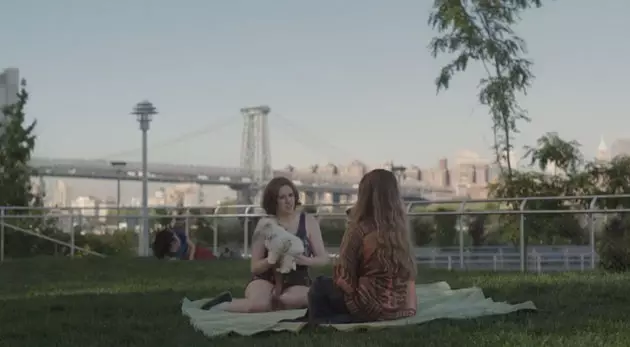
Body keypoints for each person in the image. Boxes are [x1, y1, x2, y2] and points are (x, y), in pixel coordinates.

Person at [305, 169, 417, 324]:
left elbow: (344, 276)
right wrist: (409, 308)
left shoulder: (359, 229)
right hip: (399, 308)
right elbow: (409, 274)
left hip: (367, 308)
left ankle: (324, 321)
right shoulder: (401, 230)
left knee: (320, 285)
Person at [202, 176, 329, 312]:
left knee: (288, 301)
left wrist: (304, 260)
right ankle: (221, 305)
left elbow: (323, 259)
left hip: (297, 278)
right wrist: (272, 260)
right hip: (266, 278)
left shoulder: (308, 221)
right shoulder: (265, 225)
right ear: (273, 201)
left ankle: (281, 301)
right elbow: (255, 267)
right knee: (260, 305)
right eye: (282, 197)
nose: (288, 201)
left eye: (291, 195)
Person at [152, 223, 216, 260]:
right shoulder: (169, 251)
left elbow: (192, 246)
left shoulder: (180, 234)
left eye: (175, 242)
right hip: (184, 258)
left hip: (193, 252)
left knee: (207, 255)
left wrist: (191, 258)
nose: (177, 246)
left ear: (174, 236)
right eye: (172, 247)